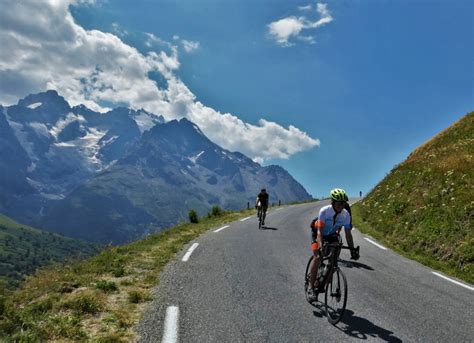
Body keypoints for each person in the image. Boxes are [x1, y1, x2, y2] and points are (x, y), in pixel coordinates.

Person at [307, 188, 359, 302]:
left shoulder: (345, 215)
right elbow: (320, 231)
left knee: (333, 262)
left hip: (331, 235)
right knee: (317, 257)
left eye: (344, 203)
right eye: (339, 203)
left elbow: (348, 234)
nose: (341, 205)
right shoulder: (324, 211)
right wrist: (320, 245)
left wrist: (352, 250)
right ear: (333, 202)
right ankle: (311, 288)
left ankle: (323, 282)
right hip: (317, 233)